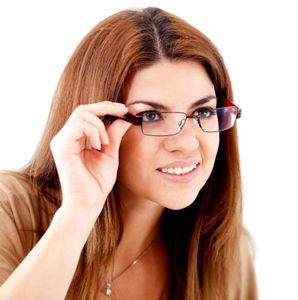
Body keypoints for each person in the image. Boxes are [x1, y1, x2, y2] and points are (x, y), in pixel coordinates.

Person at [0, 6, 257, 300]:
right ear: (99, 120)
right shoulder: (10, 211)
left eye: (203, 111)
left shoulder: (225, 252)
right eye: (150, 116)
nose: (186, 143)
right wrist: (78, 212)